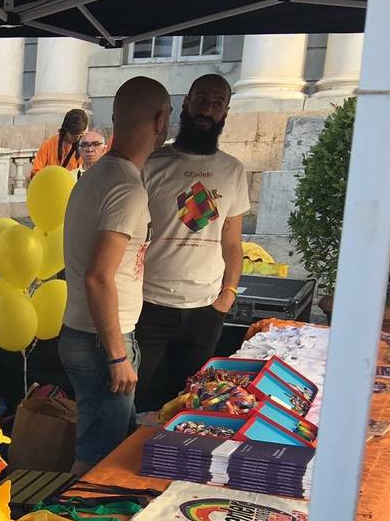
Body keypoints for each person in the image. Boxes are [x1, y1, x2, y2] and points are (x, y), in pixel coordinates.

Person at [59, 77, 171, 475]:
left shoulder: (100, 176)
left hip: (89, 336)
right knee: (97, 463)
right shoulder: (124, 186)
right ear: (161, 120)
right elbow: (99, 277)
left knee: (104, 453)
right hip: (101, 342)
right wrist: (118, 355)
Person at [135, 74, 249, 412]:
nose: (207, 110)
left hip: (205, 309)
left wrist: (227, 295)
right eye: (201, 99)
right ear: (185, 103)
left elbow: (232, 241)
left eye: (217, 104)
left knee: (190, 405)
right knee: (131, 400)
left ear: (225, 113)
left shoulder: (233, 171)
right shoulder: (152, 164)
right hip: (148, 304)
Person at [30, 109, 90, 178]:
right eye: (74, 135)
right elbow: (35, 172)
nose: (78, 138)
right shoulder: (48, 144)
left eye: (81, 134)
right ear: (66, 129)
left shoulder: (84, 147)